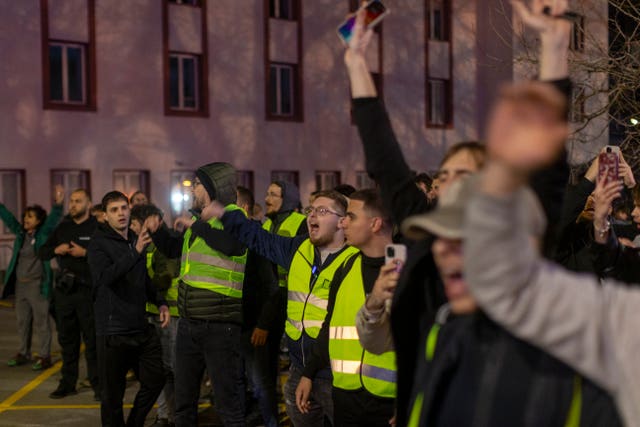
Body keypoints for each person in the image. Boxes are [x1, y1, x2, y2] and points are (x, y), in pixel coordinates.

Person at [345, 2, 572, 422]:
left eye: (463, 173)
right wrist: (357, 61)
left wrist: (555, 43)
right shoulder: (426, 238)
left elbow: (548, 165)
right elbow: (385, 160)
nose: (447, 181)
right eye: (444, 174)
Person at [209, 189, 359, 427]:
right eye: (310, 210)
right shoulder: (298, 249)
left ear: (343, 221)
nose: (311, 216)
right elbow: (258, 238)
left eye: (322, 211)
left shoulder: (356, 260)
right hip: (299, 369)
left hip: (336, 376)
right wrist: (223, 213)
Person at [145, 162, 248, 427]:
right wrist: (158, 233)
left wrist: (197, 226)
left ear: (213, 186)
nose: (193, 189)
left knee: (227, 404)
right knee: (184, 402)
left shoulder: (234, 216)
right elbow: (175, 250)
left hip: (220, 323)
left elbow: (233, 245)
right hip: (189, 323)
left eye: (198, 184)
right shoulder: (201, 221)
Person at [296, 189, 397, 427]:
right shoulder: (346, 268)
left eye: (351, 216)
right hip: (345, 396)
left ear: (375, 224)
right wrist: (308, 373)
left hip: (389, 402)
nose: (343, 222)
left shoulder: (405, 270)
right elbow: (329, 325)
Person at [88, 191, 169, 427]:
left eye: (124, 208)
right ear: (105, 216)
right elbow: (105, 278)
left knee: (156, 379)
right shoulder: (98, 245)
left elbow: (143, 279)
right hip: (113, 330)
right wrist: (135, 252)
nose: (121, 213)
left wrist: (160, 301)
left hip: (139, 327)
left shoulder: (134, 239)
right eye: (114, 210)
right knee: (112, 397)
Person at [39, 188, 99, 400]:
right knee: (67, 341)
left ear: (89, 204)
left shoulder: (97, 228)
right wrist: (56, 250)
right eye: (71, 201)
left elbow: (108, 256)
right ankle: (68, 383)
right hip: (65, 292)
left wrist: (85, 253)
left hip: (87, 292)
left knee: (92, 342)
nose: (72, 205)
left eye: (78, 201)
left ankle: (98, 385)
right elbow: (42, 251)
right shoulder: (63, 228)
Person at [1, 186, 64, 370]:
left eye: (30, 216)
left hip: (38, 286)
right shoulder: (21, 234)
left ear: (38, 221)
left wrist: (58, 205)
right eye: (25, 216)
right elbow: (9, 219)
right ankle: (23, 352)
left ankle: (45, 356)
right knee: (22, 322)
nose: (25, 219)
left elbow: (52, 221)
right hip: (21, 286)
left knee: (41, 323)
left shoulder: (43, 234)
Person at [130, 204, 180, 427]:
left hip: (170, 314)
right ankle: (163, 415)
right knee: (156, 370)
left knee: (172, 369)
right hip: (151, 313)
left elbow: (165, 278)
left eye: (134, 222)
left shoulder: (165, 243)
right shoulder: (143, 244)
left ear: (150, 222)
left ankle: (177, 416)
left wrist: (140, 283)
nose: (130, 226)